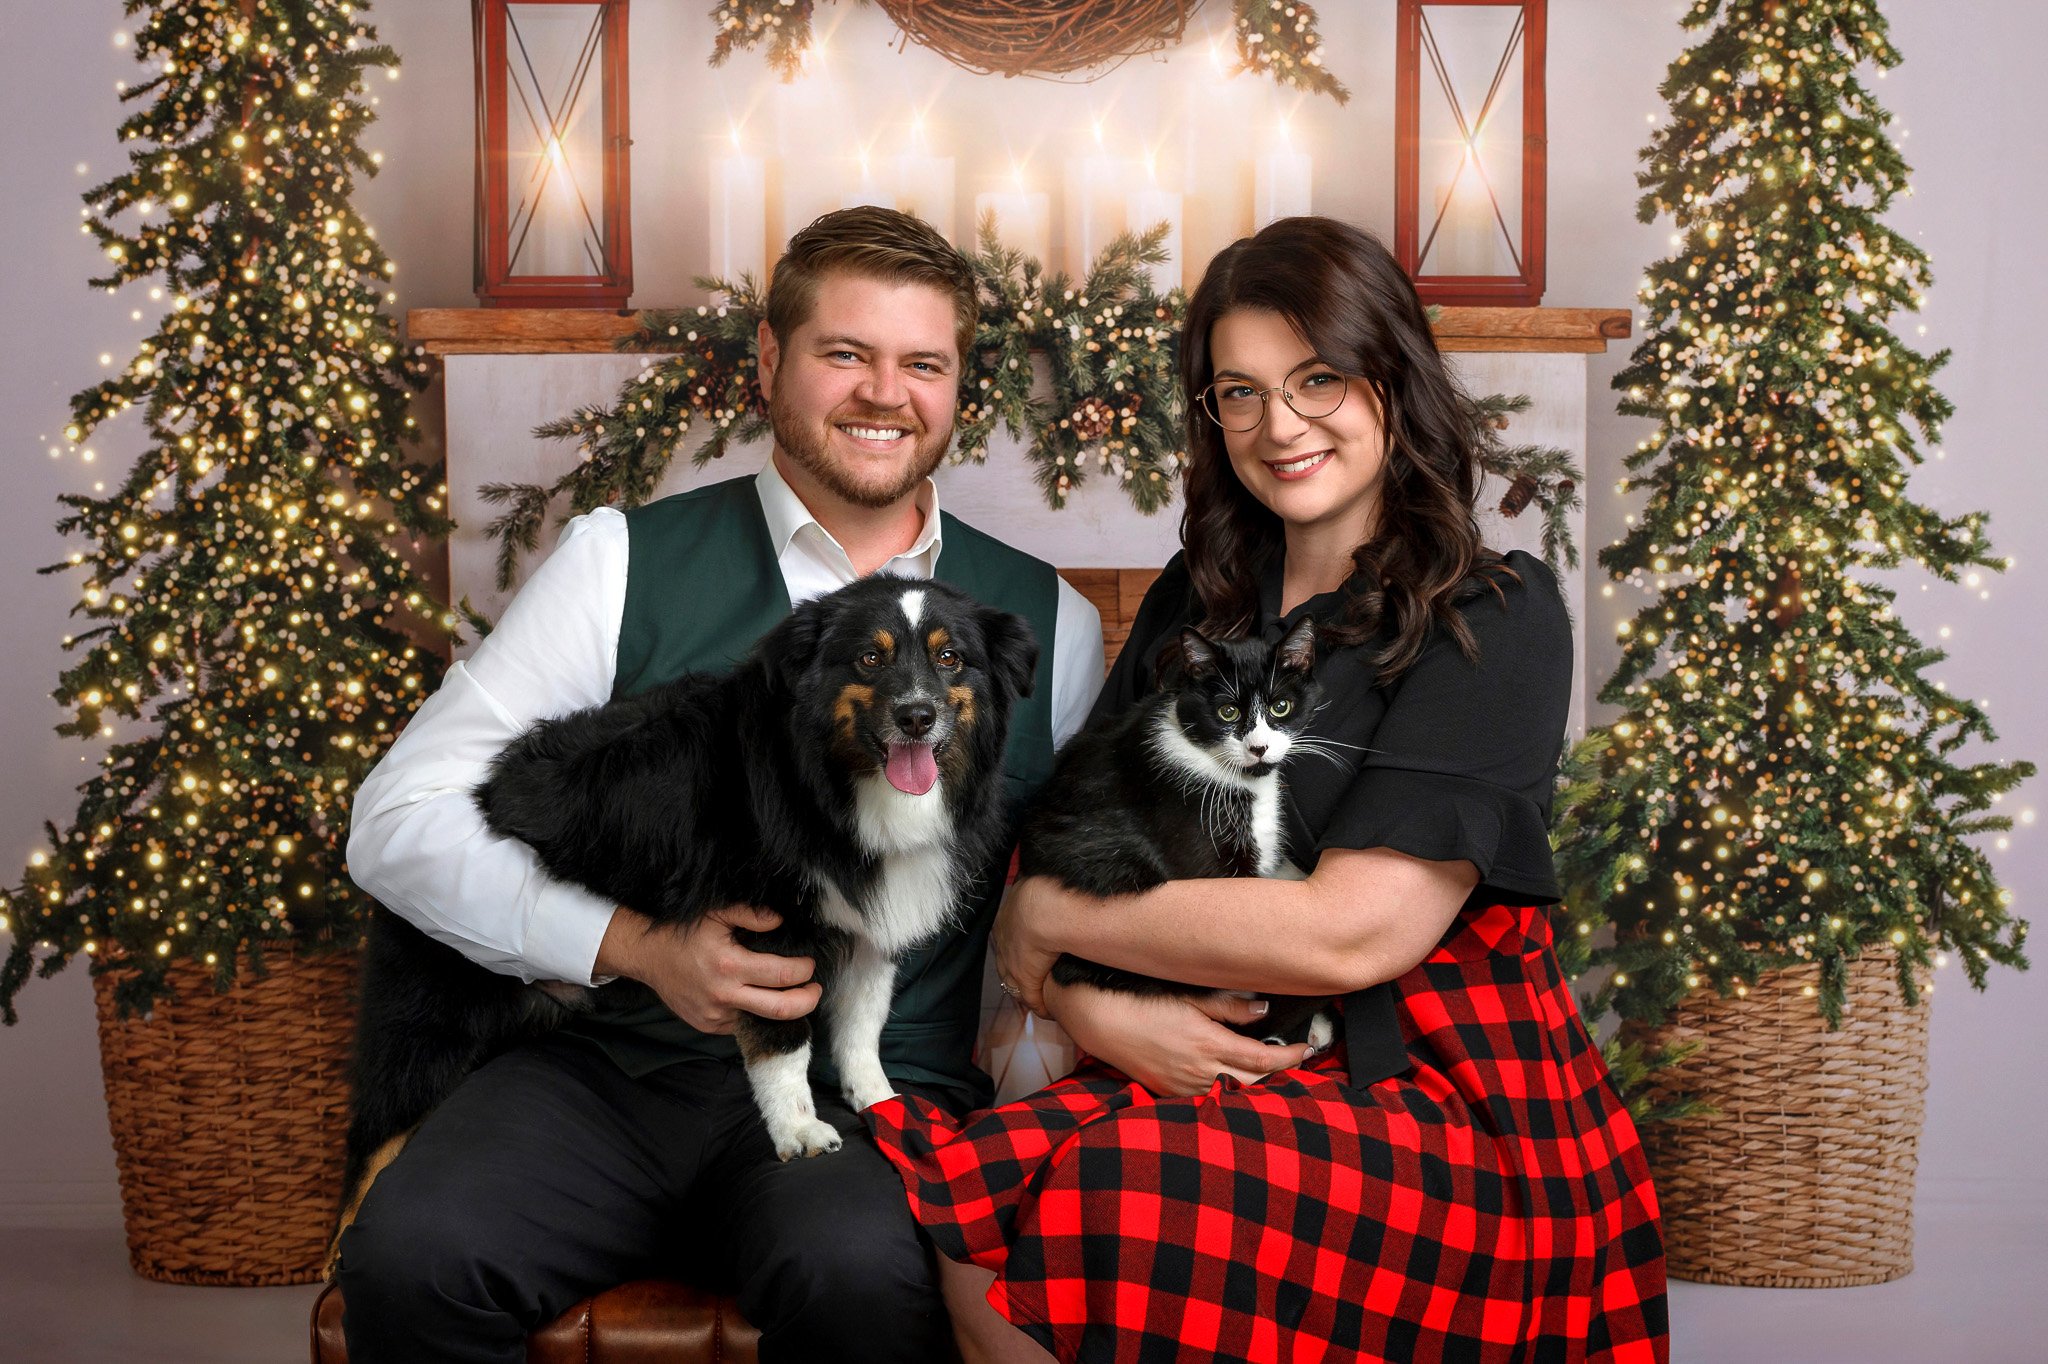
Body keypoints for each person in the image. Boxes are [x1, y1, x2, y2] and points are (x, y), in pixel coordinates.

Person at [866, 216, 1671, 1364]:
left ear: (1390, 374)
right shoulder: (1196, 606)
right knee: (970, 1202)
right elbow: (1067, 837)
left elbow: (1351, 933)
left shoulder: (1487, 612)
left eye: (1316, 379)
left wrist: (1048, 921)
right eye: (1235, 392)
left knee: (1115, 1198)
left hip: (1435, 1083)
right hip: (1227, 1040)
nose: (1276, 424)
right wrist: (1096, 1005)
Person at [337, 206, 1106, 1364]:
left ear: (956, 387)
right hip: (603, 1078)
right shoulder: (620, 564)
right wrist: (630, 944)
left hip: (863, 1104)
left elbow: (1094, 884)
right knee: (414, 1255)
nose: (882, 392)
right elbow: (395, 820)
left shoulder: (1048, 622)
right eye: (844, 353)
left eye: (922, 363)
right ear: (768, 361)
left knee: (859, 1277)